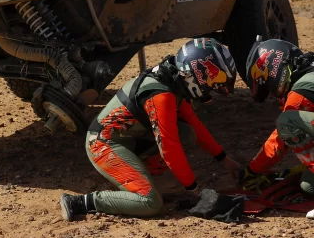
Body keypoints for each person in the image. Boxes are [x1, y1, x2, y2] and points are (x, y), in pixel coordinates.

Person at [60, 38, 241, 219]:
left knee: (186, 133)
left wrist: (225, 160)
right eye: (215, 80)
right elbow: (169, 149)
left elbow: (195, 125)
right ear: (197, 73)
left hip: (125, 138)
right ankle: (79, 202)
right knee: (150, 203)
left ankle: (139, 179)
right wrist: (194, 190)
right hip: (103, 145)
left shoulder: (172, 81)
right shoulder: (161, 95)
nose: (211, 89)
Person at [238, 38, 314, 218]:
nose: (273, 94)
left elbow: (279, 140)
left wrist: (253, 170)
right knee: (308, 184)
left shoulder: (299, 95)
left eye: (269, 87)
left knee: (288, 122)